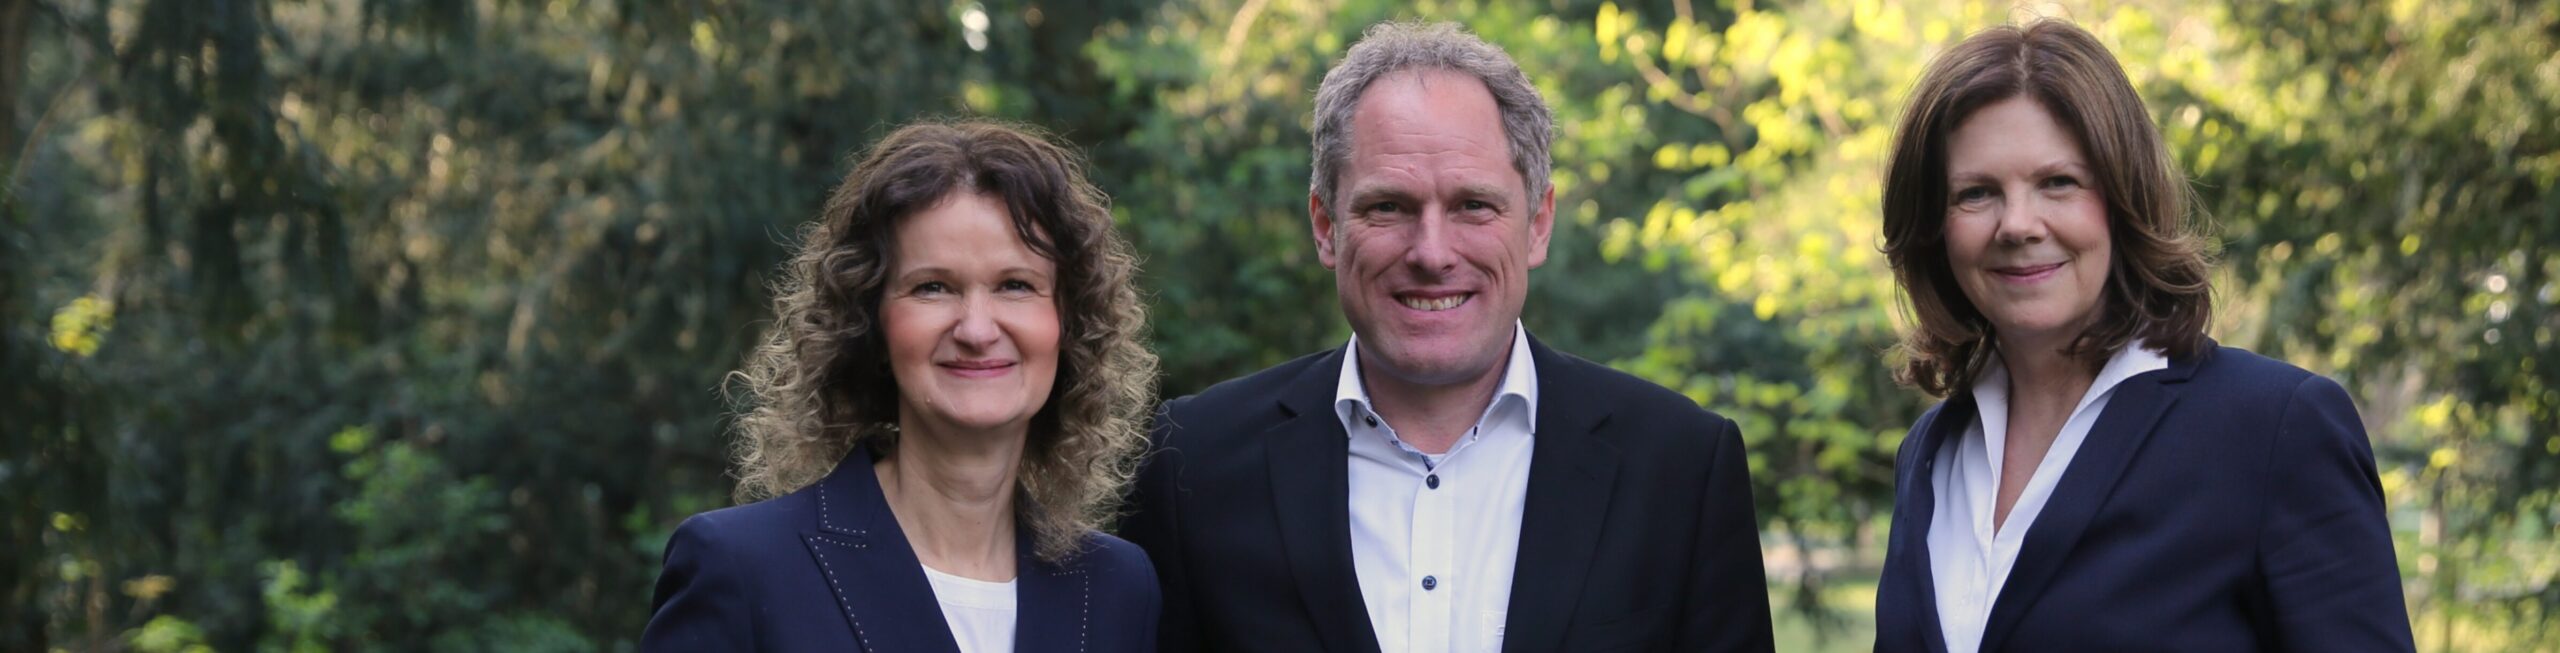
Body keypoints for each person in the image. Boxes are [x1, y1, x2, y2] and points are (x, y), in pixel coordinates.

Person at [1119, 21, 1774, 653]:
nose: (1432, 252)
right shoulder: (1190, 466)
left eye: (1473, 205)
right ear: (1325, 226)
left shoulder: (1681, 468)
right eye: (1388, 207)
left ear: (1538, 223)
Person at [1869, 20, 2415, 652]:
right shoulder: (1931, 452)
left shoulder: (2274, 429)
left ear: (2126, 197)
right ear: (1933, 227)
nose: (2017, 224)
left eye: (2059, 182)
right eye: (1976, 193)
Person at [641, 120, 1162, 653]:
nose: (977, 330)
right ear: (870, 323)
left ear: (1068, 325)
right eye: (932, 287)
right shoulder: (741, 566)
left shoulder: (1116, 589)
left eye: (1016, 285)